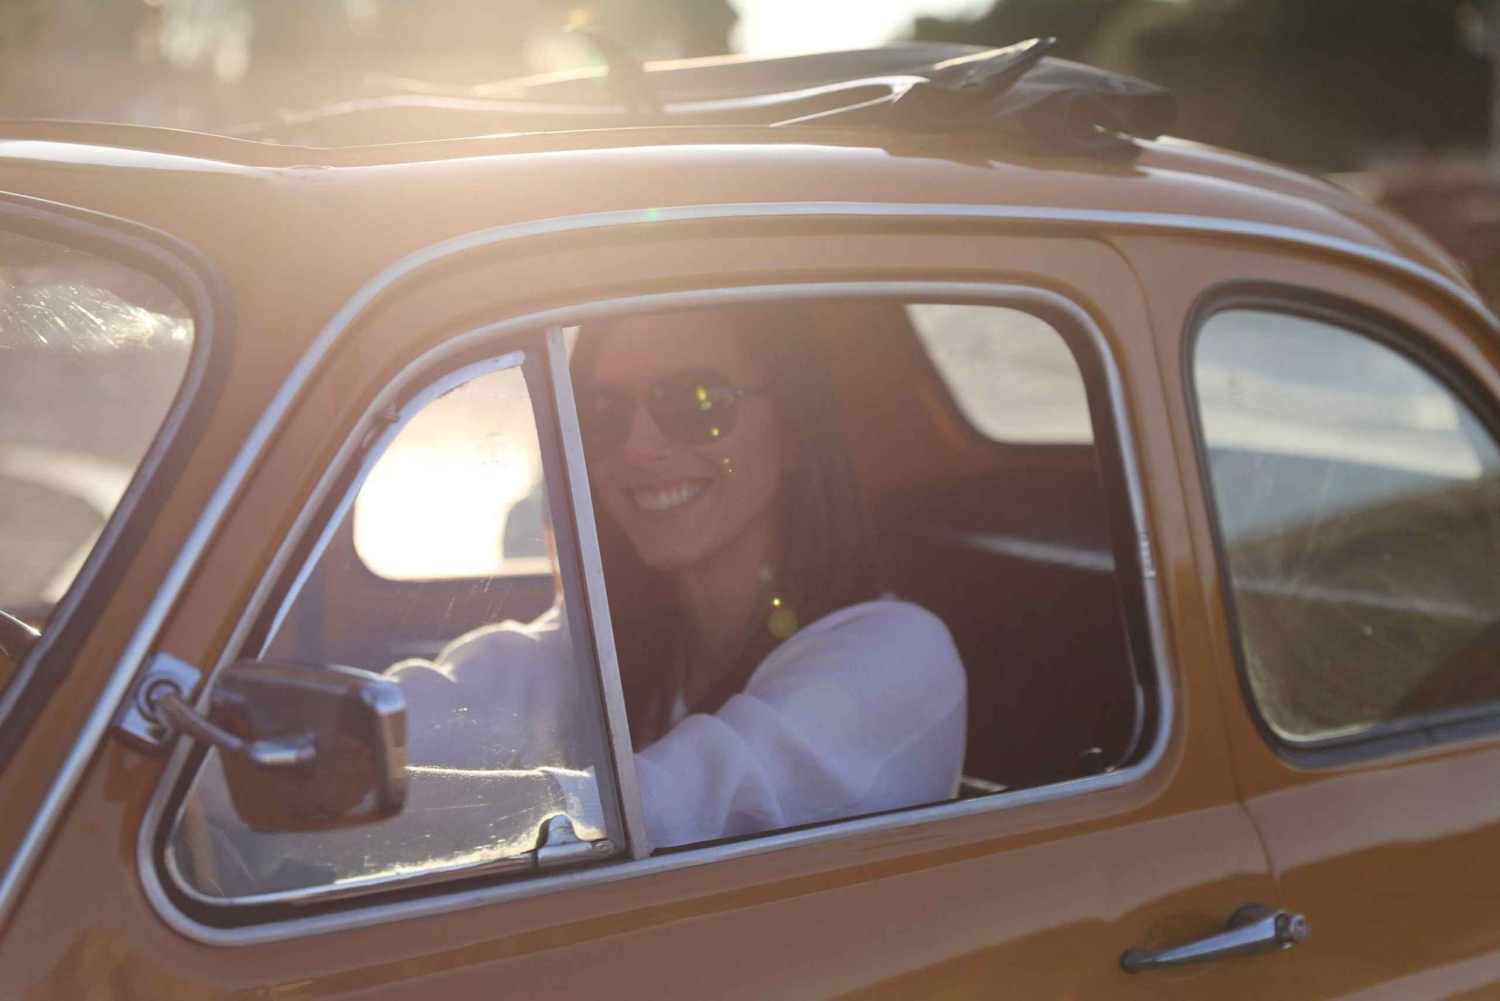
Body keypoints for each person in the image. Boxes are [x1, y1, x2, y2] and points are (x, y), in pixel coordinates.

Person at [396, 303, 968, 850]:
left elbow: (667, 817)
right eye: (602, 412)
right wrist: (353, 751)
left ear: (793, 426)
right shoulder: (607, 639)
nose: (639, 448)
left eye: (698, 402)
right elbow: (447, 706)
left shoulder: (899, 656)